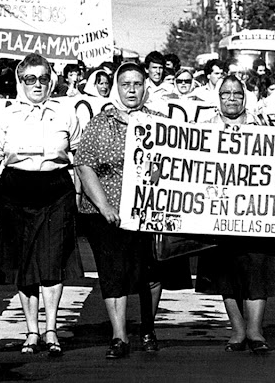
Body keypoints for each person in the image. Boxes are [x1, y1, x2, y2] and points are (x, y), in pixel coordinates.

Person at [75, 62, 191, 359]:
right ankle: (119, 335)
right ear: (117, 86)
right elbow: (84, 164)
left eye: (137, 84)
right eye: (125, 84)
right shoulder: (102, 122)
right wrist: (104, 206)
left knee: (151, 271)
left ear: (145, 87)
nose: (131, 89)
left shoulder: (160, 122)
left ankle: (148, 328)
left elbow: (178, 163)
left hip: (148, 212)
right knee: (113, 273)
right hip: (107, 213)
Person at [0, 52, 83, 357]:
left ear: (51, 80)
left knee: (53, 261)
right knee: (25, 265)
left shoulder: (66, 113)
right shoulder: (5, 115)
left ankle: (51, 329)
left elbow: (79, 158)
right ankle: (32, 331)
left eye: (42, 78)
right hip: (16, 190)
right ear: (20, 80)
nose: (37, 85)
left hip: (56, 190)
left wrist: (77, 195)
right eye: (30, 79)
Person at [195, 74, 275, 353]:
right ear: (219, 97)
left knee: (258, 269)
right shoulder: (202, 128)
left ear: (245, 96)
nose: (232, 98)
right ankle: (237, 330)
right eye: (226, 93)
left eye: (237, 93)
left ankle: (255, 330)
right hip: (218, 211)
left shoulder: (262, 125)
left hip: (257, 212)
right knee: (227, 272)